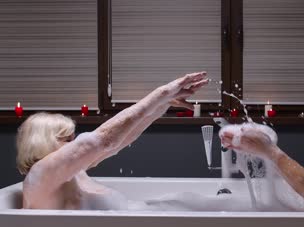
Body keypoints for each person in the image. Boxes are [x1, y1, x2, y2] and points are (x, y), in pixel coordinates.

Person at [17, 72, 209, 210]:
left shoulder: (67, 173)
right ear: (42, 141)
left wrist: (162, 104)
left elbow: (121, 140)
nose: (73, 143)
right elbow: (103, 140)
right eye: (67, 139)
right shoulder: (41, 174)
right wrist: (161, 93)